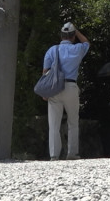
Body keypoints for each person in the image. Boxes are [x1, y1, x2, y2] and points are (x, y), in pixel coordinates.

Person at [42, 22, 90, 160]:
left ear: (61, 35)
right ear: (73, 36)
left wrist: (46, 91)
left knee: (54, 124)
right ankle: (72, 153)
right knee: (73, 122)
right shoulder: (78, 49)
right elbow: (87, 42)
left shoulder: (52, 50)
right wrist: (77, 31)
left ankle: (54, 155)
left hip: (54, 88)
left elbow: (45, 72)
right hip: (70, 87)